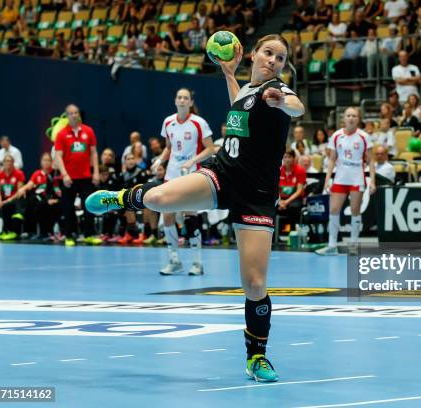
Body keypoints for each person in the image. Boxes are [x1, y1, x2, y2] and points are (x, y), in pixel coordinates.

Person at [86, 34, 305, 382]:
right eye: (268, 53)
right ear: (253, 54)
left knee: (253, 283)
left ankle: (256, 357)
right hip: (224, 174)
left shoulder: (277, 91)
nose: (273, 61)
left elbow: (297, 106)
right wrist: (229, 74)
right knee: (159, 199)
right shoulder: (248, 91)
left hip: (257, 194)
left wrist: (281, 100)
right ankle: (120, 198)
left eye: (280, 58)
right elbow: (241, 105)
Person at [149, 88, 214, 275]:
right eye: (179, 97)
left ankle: (197, 263)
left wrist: (193, 160)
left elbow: (211, 148)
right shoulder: (168, 122)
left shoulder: (198, 122)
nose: (182, 100)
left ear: (191, 102)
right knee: (167, 214)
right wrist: (159, 161)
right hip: (171, 173)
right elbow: (168, 148)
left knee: (189, 216)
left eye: (186, 98)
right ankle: (174, 260)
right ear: (175, 100)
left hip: (191, 174)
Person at [316, 106, 376, 256]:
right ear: (344, 118)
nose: (351, 118)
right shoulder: (336, 136)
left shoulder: (364, 136)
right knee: (334, 210)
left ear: (358, 119)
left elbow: (371, 161)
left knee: (355, 212)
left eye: (354, 116)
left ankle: (353, 245)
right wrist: (327, 179)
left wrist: (373, 181)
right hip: (340, 178)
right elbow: (331, 160)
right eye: (348, 115)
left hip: (357, 178)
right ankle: (332, 245)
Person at [54, 104, 102, 246]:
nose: (74, 115)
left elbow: (93, 153)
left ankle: (89, 235)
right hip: (69, 178)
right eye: (71, 113)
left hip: (86, 177)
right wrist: (64, 175)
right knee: (68, 208)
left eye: (76, 112)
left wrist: (96, 173)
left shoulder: (88, 131)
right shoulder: (62, 134)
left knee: (89, 206)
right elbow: (58, 156)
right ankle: (69, 236)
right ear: (66, 116)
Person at [9, 152, 61, 240]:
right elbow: (29, 185)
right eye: (44, 160)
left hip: (51, 199)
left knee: (38, 204)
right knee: (29, 198)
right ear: (41, 162)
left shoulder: (54, 174)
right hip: (38, 198)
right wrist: (22, 189)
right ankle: (24, 222)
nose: (46, 162)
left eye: (48, 160)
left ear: (52, 162)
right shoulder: (37, 173)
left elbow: (58, 191)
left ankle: (45, 233)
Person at [0, 155, 25, 240]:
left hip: (16, 199)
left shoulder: (19, 173)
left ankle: (11, 231)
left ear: (13, 163)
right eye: (6, 161)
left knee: (7, 206)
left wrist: (8, 200)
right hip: (4, 199)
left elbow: (19, 191)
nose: (8, 163)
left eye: (10, 161)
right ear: (3, 163)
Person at [278, 148, 306, 232]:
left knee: (293, 207)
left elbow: (299, 190)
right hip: (281, 198)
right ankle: (275, 235)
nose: (287, 159)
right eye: (285, 157)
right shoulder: (278, 170)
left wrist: (286, 202)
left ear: (294, 158)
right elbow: (275, 189)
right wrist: (279, 201)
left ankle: (292, 232)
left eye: (289, 157)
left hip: (295, 198)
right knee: (272, 207)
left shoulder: (300, 170)